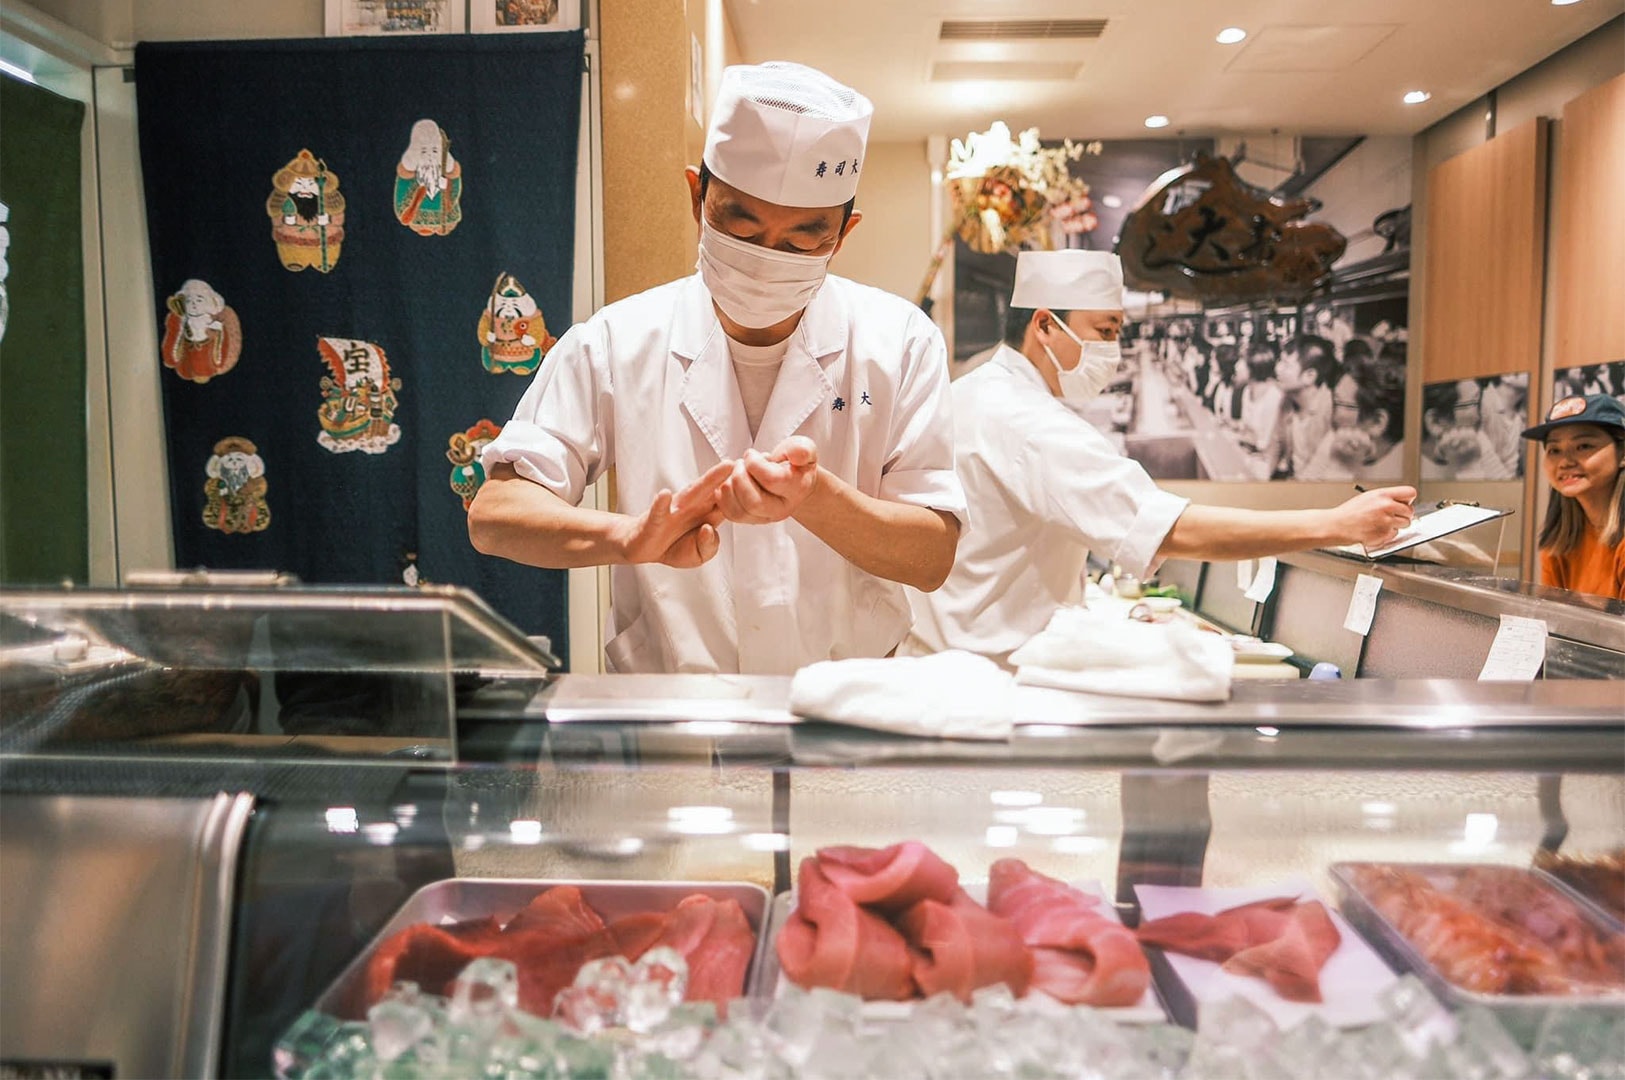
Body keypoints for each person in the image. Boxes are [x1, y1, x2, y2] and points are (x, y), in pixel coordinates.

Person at [469, 62, 965, 673]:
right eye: (740, 223)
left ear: (843, 234)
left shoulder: (899, 342)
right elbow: (495, 517)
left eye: (800, 240)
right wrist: (627, 539)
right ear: (696, 196)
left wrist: (813, 498)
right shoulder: (618, 341)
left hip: (845, 715)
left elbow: (932, 557)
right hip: (675, 718)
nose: (764, 259)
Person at [903, 250, 1416, 665]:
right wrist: (1336, 524)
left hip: (948, 659)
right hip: (993, 680)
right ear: (1044, 326)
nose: (1115, 349)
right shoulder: (1030, 423)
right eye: (1104, 331)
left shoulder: (973, 392)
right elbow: (1173, 530)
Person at [1521, 394, 1625, 600]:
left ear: (1622, 453)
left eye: (1583, 446)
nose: (1565, 462)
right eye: (1554, 450)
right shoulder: (1559, 540)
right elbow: (1555, 619)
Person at [1300, 342, 1407, 482]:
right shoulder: (1337, 438)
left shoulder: (1400, 473)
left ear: (1377, 422)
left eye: (1338, 403)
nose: (1331, 414)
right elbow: (1304, 483)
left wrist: (1339, 470)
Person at [1267, 335, 1337, 480]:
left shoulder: (1332, 408)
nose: (1277, 368)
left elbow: (1323, 469)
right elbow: (1275, 445)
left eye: (1286, 364)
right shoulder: (1286, 401)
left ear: (1310, 376)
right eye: (1280, 360)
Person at [1421, 379, 1516, 481]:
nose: (1478, 417)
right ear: (1435, 422)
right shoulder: (1406, 467)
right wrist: (1469, 469)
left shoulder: (1475, 441)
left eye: (1478, 402)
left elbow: (1508, 489)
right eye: (1472, 403)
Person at [1236, 340, 1284, 456]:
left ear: (1254, 367)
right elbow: (1245, 430)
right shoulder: (1247, 391)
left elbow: (1269, 443)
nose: (1236, 366)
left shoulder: (1275, 396)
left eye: (1241, 361)